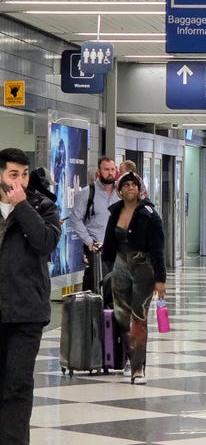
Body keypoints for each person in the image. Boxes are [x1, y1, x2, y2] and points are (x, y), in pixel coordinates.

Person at [0, 148, 61, 445]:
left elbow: (44, 242)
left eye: (24, 175)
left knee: (18, 386)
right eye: (13, 175)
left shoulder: (44, 206)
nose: (20, 181)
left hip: (26, 313)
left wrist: (23, 207)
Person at [101, 172, 166, 385]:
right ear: (120, 191)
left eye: (134, 185)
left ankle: (138, 369)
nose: (130, 188)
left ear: (139, 189)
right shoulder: (115, 211)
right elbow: (109, 240)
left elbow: (158, 248)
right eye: (126, 185)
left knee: (139, 318)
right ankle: (131, 356)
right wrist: (108, 264)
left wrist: (160, 279)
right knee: (121, 316)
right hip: (120, 265)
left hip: (143, 267)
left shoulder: (149, 213)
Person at [70, 156, 119, 292]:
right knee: (99, 284)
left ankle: (114, 311)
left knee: (117, 285)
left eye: (112, 169)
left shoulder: (120, 193)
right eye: (106, 169)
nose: (110, 172)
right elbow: (75, 218)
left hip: (117, 248)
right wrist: (89, 242)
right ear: (99, 171)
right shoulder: (87, 192)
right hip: (97, 248)